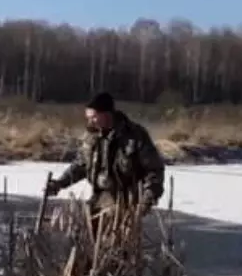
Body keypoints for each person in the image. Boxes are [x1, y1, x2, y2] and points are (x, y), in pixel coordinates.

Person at [45, 92, 166, 234]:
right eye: (88, 118)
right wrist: (59, 183)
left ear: (107, 114)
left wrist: (147, 200)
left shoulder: (134, 136)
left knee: (118, 246)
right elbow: (80, 165)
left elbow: (154, 170)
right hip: (99, 199)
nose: (91, 122)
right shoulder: (91, 137)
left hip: (126, 203)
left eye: (94, 117)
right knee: (83, 234)